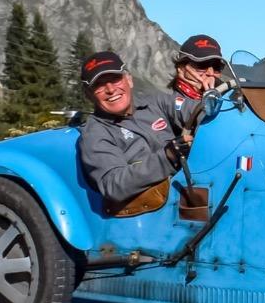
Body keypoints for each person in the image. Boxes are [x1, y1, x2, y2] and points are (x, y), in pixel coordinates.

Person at [77, 50, 195, 209]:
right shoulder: (95, 133)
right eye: (99, 84)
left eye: (115, 79)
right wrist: (167, 157)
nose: (110, 89)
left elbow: (194, 111)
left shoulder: (156, 102)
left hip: (185, 187)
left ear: (129, 80)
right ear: (89, 94)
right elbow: (112, 185)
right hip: (154, 210)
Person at [168, 34, 227, 126]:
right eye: (202, 65)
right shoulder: (165, 102)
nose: (210, 73)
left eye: (216, 66)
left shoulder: (227, 99)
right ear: (181, 68)